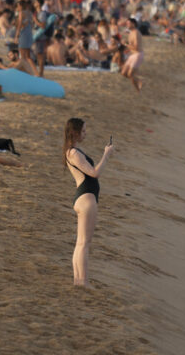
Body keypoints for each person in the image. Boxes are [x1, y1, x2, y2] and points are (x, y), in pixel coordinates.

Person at [64, 118, 114, 287]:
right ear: (75, 132)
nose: (85, 134)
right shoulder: (73, 153)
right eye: (83, 131)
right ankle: (82, 281)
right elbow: (94, 173)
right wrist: (106, 155)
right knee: (84, 244)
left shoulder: (74, 151)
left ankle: (79, 280)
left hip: (84, 198)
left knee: (81, 243)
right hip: (86, 198)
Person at [121, 18, 144, 92]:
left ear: (133, 24)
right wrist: (127, 50)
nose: (127, 25)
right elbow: (131, 46)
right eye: (126, 23)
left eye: (128, 23)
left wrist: (125, 43)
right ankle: (138, 84)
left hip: (137, 55)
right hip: (132, 55)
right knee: (124, 73)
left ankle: (139, 86)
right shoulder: (131, 33)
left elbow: (136, 47)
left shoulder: (136, 33)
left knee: (130, 74)